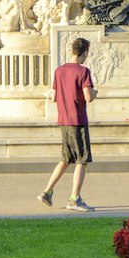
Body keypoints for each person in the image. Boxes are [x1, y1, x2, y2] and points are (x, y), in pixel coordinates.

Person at [38, 37, 97, 212]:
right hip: (77, 120)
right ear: (85, 52)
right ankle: (75, 198)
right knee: (82, 160)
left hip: (63, 119)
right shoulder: (83, 72)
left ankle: (47, 191)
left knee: (66, 159)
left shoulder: (59, 71)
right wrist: (95, 93)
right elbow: (88, 96)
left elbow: (54, 96)